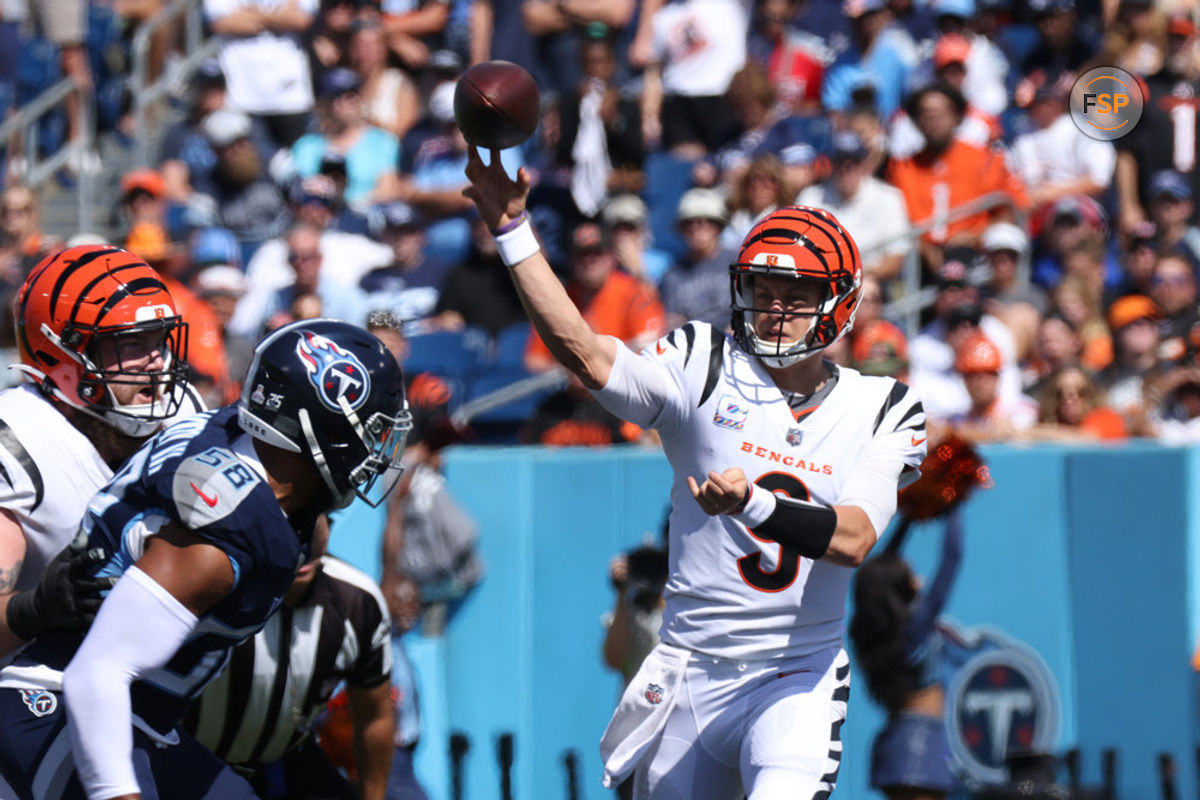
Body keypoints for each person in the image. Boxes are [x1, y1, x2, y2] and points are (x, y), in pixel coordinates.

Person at [464, 148, 926, 797]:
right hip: (690, 670)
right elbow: (587, 355)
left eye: (797, 296)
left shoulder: (882, 406)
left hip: (795, 674)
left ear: (839, 303)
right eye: (765, 293)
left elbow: (852, 538)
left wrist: (752, 504)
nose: (776, 311)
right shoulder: (702, 361)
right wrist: (513, 232)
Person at [0, 318, 412, 800]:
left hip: (140, 720)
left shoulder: (243, 446)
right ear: (314, 425)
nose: (377, 453)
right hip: (62, 709)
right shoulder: (223, 537)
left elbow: (303, 530)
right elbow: (100, 672)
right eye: (369, 431)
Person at [0, 245, 204, 661]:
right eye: (131, 343)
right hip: (42, 694)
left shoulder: (187, 417)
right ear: (61, 354)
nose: (156, 361)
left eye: (159, 339)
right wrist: (36, 610)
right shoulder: (22, 442)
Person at [184, 520, 396, 800]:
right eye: (291, 524)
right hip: (188, 764)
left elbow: (374, 716)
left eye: (314, 522)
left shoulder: (358, 602)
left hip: (283, 762)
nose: (303, 544)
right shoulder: (216, 581)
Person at [849, 510, 964, 800]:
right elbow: (951, 560)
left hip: (899, 737)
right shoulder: (914, 629)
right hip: (919, 741)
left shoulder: (874, 629)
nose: (919, 578)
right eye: (911, 575)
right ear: (900, 587)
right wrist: (955, 504)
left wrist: (911, 516)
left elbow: (878, 572)